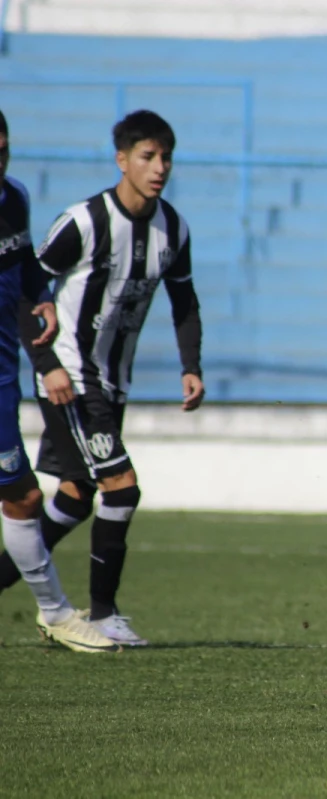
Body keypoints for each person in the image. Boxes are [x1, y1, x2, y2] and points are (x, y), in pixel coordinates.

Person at [0, 109, 204, 648]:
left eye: (166, 157)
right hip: (70, 374)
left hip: (113, 382)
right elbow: (27, 291)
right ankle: (104, 613)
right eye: (148, 156)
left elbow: (184, 300)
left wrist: (191, 366)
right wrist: (48, 366)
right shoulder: (85, 221)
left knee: (71, 497)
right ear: (122, 160)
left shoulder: (173, 228)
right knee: (123, 486)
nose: (159, 168)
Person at [0, 109, 119, 652]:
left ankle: (55, 612)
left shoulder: (15, 198)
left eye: (3, 143)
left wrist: (41, 301)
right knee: (25, 495)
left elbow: (24, 267)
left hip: (4, 375)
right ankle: (55, 611)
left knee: (23, 498)